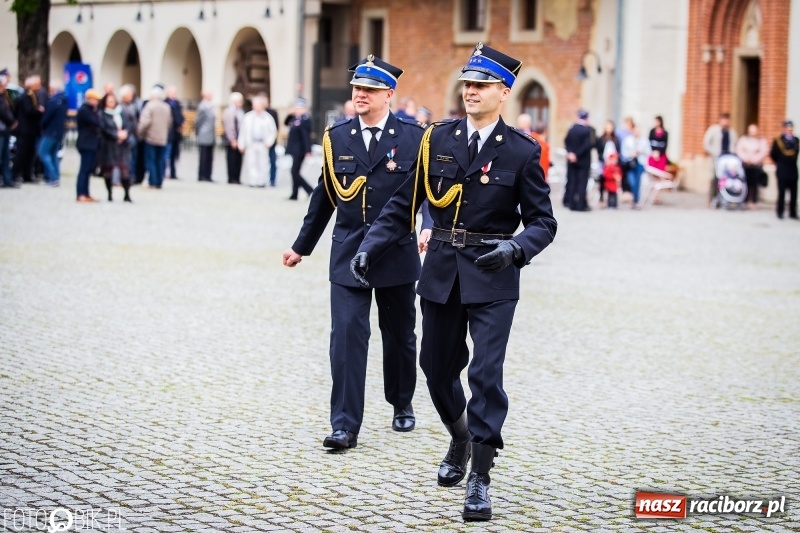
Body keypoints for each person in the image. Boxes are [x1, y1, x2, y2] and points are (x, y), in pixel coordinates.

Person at [350, 43, 557, 521]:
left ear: (503, 93)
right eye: (467, 84)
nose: (471, 91)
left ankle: (481, 476)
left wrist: (516, 249)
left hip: (493, 274)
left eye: (481, 85)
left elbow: (543, 221)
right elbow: (403, 205)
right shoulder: (435, 140)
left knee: (486, 375)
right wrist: (369, 248)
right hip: (442, 270)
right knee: (437, 369)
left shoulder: (523, 152)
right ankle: (461, 436)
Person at [282, 54, 426, 451]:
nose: (360, 95)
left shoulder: (414, 137)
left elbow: (425, 193)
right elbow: (324, 195)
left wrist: (428, 225)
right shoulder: (337, 136)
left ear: (389, 94)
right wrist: (301, 246)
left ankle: (401, 400)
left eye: (370, 90)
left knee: (399, 335)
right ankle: (344, 424)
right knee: (346, 336)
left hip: (395, 251)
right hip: (348, 252)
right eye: (357, 88)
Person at [97, 93, 133, 202]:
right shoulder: (102, 114)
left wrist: (124, 134)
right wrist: (116, 135)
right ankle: (109, 194)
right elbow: (104, 129)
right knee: (108, 170)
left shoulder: (121, 113)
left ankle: (126, 194)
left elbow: (128, 125)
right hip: (109, 145)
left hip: (122, 146)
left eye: (113, 101)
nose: (111, 103)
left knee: (124, 169)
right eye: (109, 101)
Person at [137, 86, 172, 189]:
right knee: (160, 161)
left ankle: (152, 181)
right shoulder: (166, 107)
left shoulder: (150, 106)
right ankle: (159, 181)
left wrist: (140, 132)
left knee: (151, 161)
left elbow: (145, 122)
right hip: (163, 138)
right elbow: (169, 123)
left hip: (151, 138)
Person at [237, 95, 277, 187]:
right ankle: (253, 181)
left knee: (263, 163)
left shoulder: (267, 117)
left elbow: (273, 131)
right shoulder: (248, 117)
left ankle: (262, 181)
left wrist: (269, 142)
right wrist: (241, 144)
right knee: (251, 162)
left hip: (263, 143)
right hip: (251, 143)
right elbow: (243, 131)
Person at [12, 75, 44, 183]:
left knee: (29, 154)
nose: (39, 87)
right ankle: (15, 174)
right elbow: (29, 111)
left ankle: (27, 175)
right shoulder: (26, 96)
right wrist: (39, 111)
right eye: (37, 84)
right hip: (25, 130)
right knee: (21, 154)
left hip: (30, 130)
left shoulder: (31, 96)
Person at [703, 113, 739, 204]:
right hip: (716, 158)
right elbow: (706, 143)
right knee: (714, 177)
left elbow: (735, 145)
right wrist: (715, 152)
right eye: (724, 119)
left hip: (728, 159)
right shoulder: (714, 130)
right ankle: (711, 198)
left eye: (727, 120)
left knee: (726, 178)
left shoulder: (732, 132)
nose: (725, 122)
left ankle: (724, 198)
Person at [37, 84, 68, 187]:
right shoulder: (63, 101)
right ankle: (55, 177)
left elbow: (47, 117)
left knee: (43, 152)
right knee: (54, 154)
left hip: (51, 131)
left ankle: (53, 176)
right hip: (59, 132)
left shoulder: (54, 101)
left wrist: (42, 124)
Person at [75, 88, 103, 202]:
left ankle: (86, 193)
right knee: (84, 169)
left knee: (88, 169)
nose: (97, 102)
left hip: (91, 143)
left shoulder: (91, 110)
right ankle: (81, 193)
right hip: (86, 143)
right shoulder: (84, 110)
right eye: (95, 100)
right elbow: (96, 122)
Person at [284, 98, 314, 199]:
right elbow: (286, 122)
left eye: (299, 108)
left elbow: (306, 136)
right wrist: (290, 114)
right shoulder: (295, 118)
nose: (297, 110)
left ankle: (309, 189)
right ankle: (295, 193)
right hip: (294, 148)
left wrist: (308, 150)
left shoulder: (305, 119)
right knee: (294, 171)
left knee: (294, 171)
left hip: (300, 149)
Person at [563, 109, 593, 211]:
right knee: (582, 183)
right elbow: (586, 146)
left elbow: (566, 141)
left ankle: (571, 203)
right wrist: (577, 154)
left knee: (572, 181)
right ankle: (580, 205)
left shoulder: (572, 129)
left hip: (571, 160)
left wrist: (570, 153)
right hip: (583, 161)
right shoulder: (586, 130)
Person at [770, 120, 799, 220]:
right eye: (787, 128)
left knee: (793, 193)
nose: (789, 130)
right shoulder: (779, 140)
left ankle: (792, 212)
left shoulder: (796, 140)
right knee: (781, 192)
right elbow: (773, 154)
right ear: (784, 129)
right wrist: (779, 162)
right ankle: (780, 211)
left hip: (793, 170)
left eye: (791, 128)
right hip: (782, 169)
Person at [735, 124, 769, 208]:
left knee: (755, 184)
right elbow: (739, 150)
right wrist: (746, 159)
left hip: (756, 166)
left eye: (754, 132)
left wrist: (754, 160)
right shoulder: (743, 139)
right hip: (745, 165)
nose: (752, 134)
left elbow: (763, 151)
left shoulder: (761, 141)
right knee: (745, 183)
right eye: (751, 132)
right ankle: (745, 200)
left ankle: (754, 201)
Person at [621, 125, 650, 208]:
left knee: (637, 182)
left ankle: (636, 200)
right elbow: (623, 152)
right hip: (630, 163)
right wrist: (631, 154)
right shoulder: (627, 140)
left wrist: (641, 151)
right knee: (632, 181)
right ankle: (634, 197)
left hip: (639, 163)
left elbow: (648, 151)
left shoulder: (644, 140)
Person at [0, 68, 18, 189]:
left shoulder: (3, 97)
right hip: (1, 130)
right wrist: (12, 121)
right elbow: (2, 112)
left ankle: (7, 179)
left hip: (4, 130)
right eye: (4, 85)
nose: (5, 87)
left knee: (5, 156)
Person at [596, 120, 620, 204]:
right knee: (602, 180)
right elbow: (599, 151)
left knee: (612, 181)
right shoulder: (601, 139)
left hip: (613, 163)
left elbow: (618, 151)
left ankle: (612, 199)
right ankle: (601, 197)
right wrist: (604, 160)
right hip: (604, 163)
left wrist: (614, 161)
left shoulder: (616, 139)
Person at [119, 85, 140, 182]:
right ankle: (126, 176)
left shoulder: (133, 105)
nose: (131, 96)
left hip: (133, 135)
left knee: (133, 157)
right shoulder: (120, 107)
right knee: (126, 158)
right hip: (126, 135)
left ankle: (131, 176)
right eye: (129, 94)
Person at [222, 92, 244, 184]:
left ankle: (237, 177)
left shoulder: (240, 111)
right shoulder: (229, 111)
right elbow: (229, 126)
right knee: (232, 159)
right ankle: (232, 177)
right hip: (232, 140)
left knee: (238, 159)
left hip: (240, 138)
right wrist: (232, 139)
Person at [195, 90, 216, 182]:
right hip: (204, 134)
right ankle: (202, 175)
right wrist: (198, 132)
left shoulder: (211, 106)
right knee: (203, 157)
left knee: (209, 157)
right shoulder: (202, 106)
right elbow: (198, 121)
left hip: (211, 135)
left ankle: (208, 175)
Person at [164, 85, 184, 179]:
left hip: (176, 133)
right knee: (167, 154)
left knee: (174, 155)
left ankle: (173, 173)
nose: (174, 95)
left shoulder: (177, 103)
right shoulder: (165, 103)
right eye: (172, 93)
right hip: (169, 132)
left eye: (175, 93)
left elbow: (180, 116)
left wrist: (181, 123)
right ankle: (164, 172)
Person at [263, 94, 279, 187]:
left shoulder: (272, 112)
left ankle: (272, 179)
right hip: (261, 142)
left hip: (271, 141)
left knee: (272, 161)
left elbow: (275, 127)